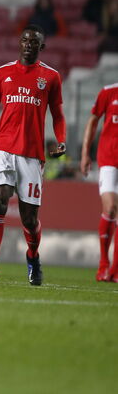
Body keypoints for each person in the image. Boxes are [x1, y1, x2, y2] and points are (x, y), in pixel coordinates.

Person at [0, 26, 67, 286]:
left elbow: (58, 115)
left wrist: (61, 140)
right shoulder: (2, 73)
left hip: (32, 154)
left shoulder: (51, 77)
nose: (29, 44)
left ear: (41, 47)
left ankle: (33, 256)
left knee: (29, 220)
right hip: (3, 149)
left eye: (34, 42)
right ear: (19, 43)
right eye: (25, 40)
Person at [79, 81, 118, 281]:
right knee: (110, 209)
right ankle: (104, 264)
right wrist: (85, 153)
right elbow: (93, 120)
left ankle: (115, 270)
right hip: (109, 158)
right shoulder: (109, 92)